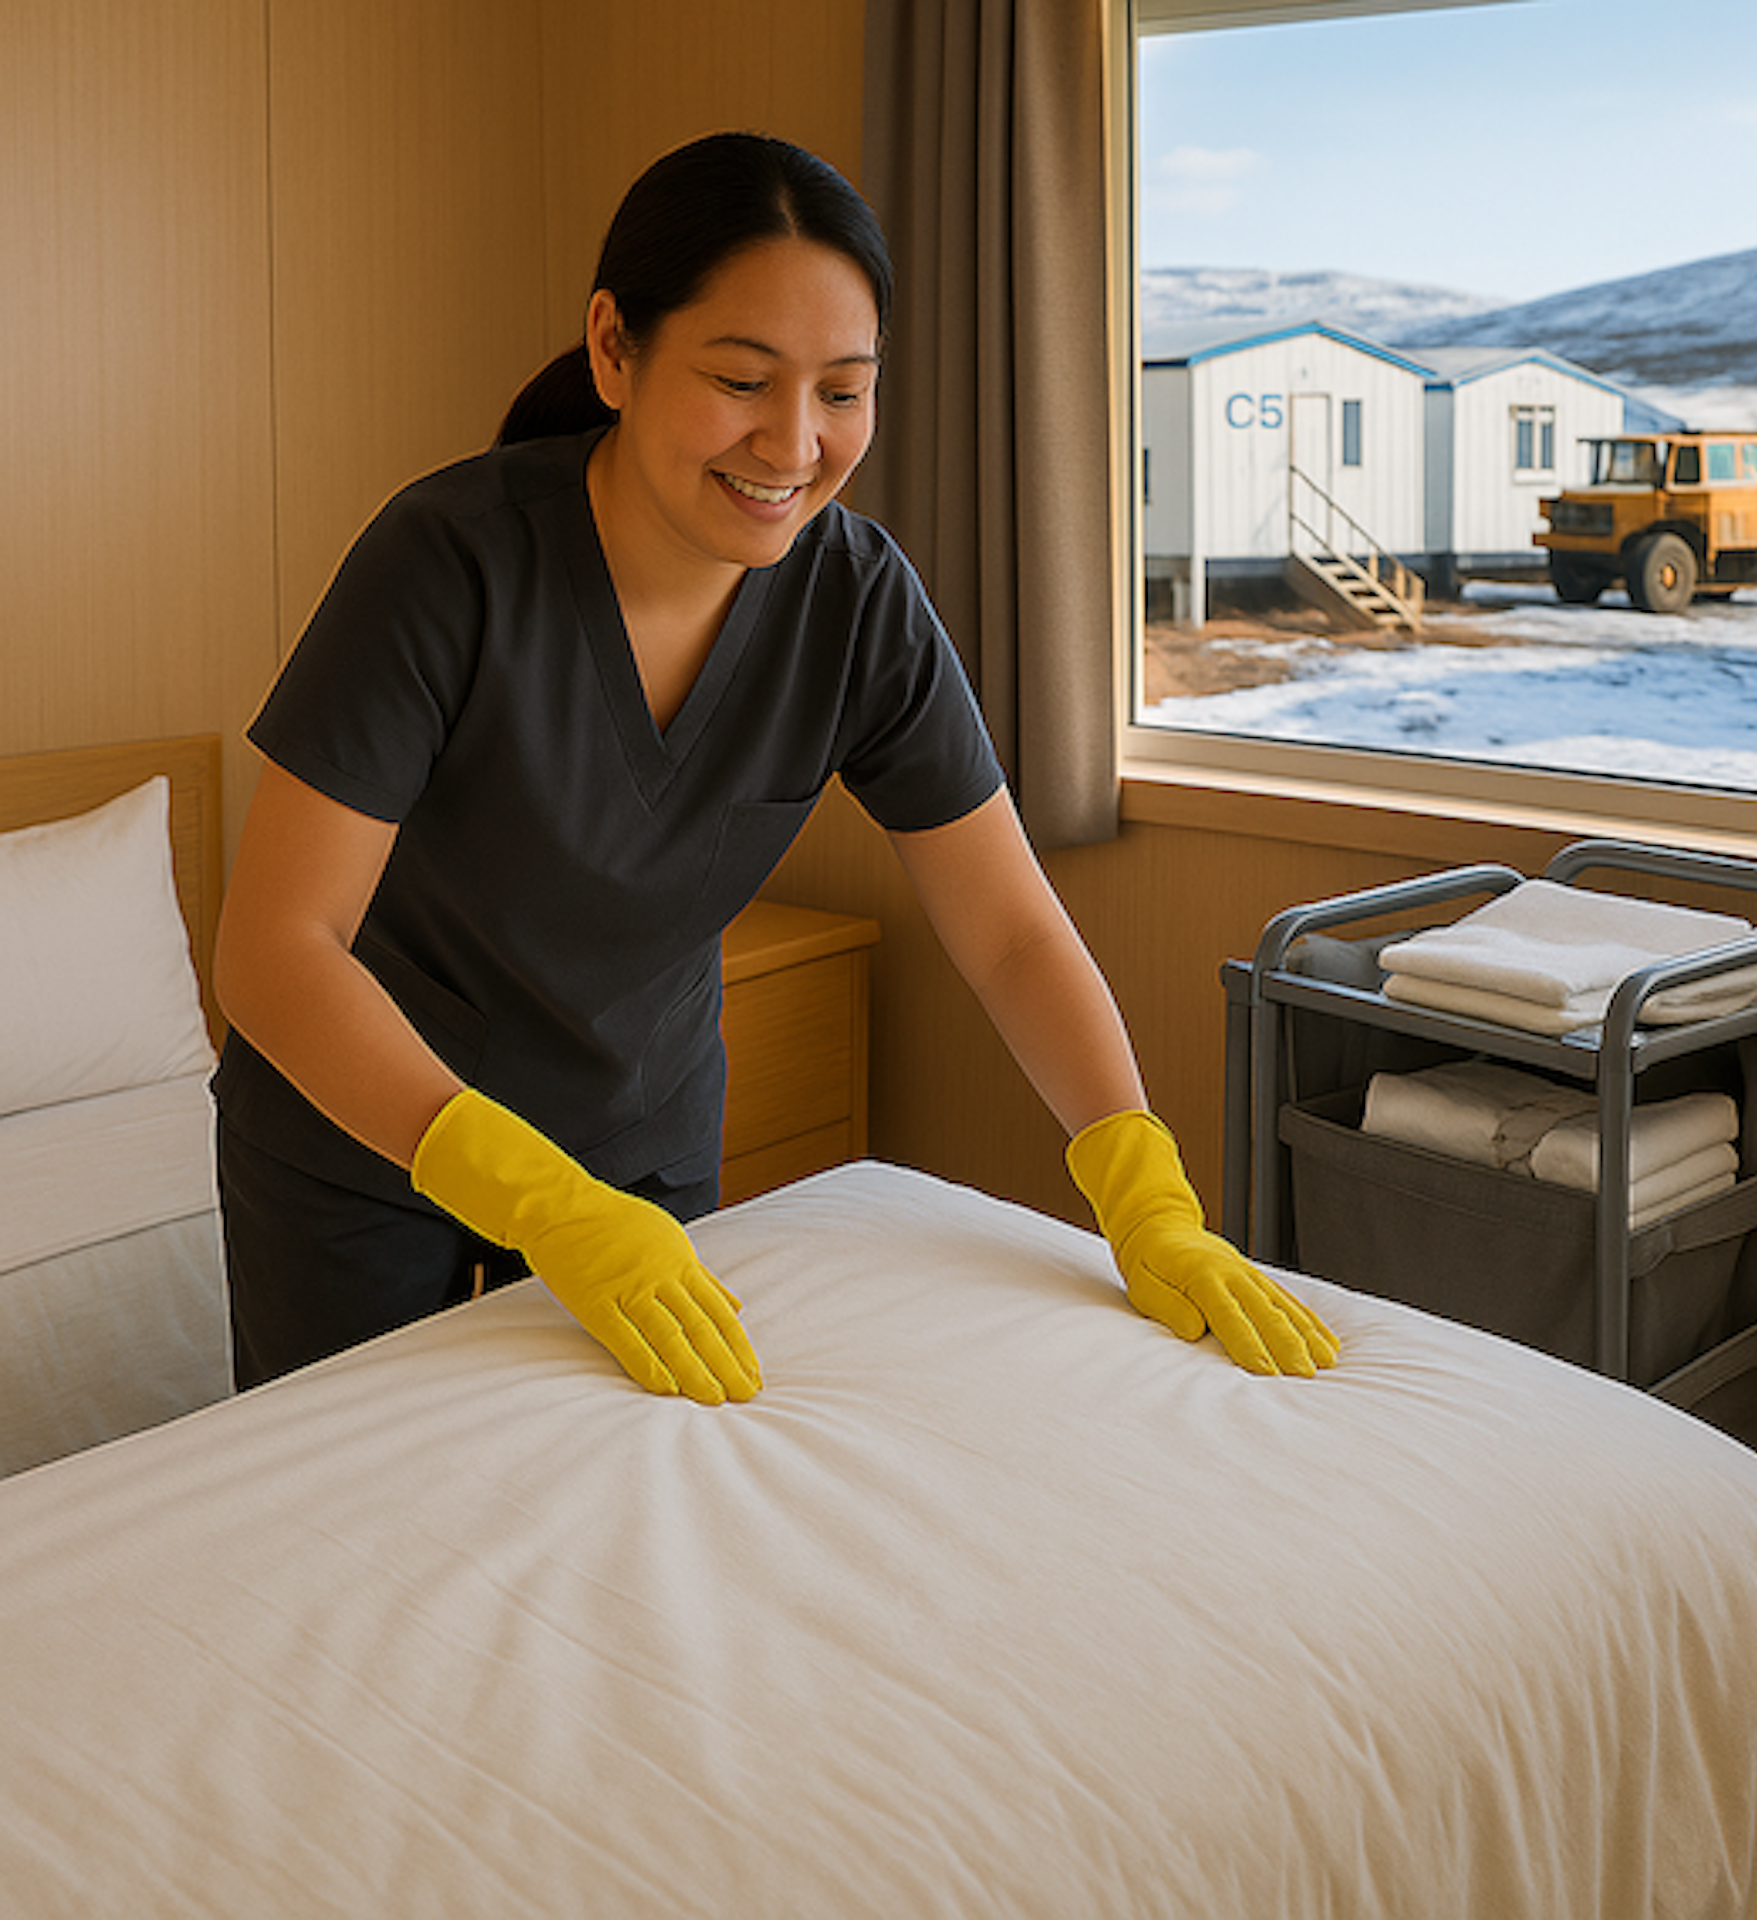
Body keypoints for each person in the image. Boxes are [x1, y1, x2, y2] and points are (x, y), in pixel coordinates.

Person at [212, 131, 1337, 1400]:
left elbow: (1010, 928)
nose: (794, 443)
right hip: (365, 1141)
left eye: (843, 391)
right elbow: (277, 948)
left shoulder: (855, 602)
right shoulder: (449, 562)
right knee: (360, 1524)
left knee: (614, 1522)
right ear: (614, 347)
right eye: (743, 380)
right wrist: (530, 1199)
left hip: (636, 1148)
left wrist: (1141, 1185)